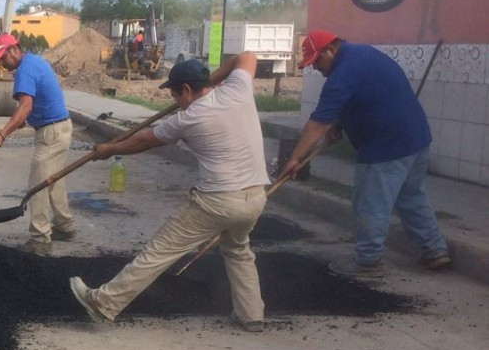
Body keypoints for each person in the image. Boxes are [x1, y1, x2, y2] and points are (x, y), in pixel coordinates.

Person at [69, 52, 271, 332]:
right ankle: (251, 315)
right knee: (238, 250)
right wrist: (211, 80)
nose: (175, 102)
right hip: (255, 196)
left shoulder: (189, 118)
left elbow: (143, 141)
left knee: (159, 252)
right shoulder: (239, 90)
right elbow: (247, 57)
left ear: (187, 90)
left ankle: (104, 302)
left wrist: (108, 150)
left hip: (218, 200)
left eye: (175, 95)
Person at [279, 30, 449, 278]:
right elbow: (360, 99)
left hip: (386, 147)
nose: (316, 68)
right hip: (416, 139)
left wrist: (295, 158)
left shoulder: (342, 74)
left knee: (370, 203)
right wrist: (340, 126)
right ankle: (434, 250)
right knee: (411, 198)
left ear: (332, 49)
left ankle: (368, 261)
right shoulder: (363, 55)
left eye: (317, 61)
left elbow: (317, 123)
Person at [0, 32, 76, 255]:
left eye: (2, 58)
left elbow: (25, 105)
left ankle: (40, 239)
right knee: (54, 180)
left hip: (51, 133)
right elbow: (33, 104)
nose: (0, 63)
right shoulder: (35, 61)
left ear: (14, 50)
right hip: (62, 127)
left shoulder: (24, 70)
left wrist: (2, 134)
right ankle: (65, 226)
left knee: (38, 186)